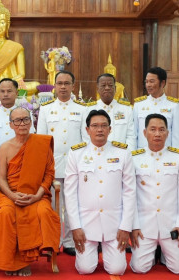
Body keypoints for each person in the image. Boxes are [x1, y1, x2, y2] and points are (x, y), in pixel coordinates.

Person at [0, 107, 60, 276]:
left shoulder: (41, 144)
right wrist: (12, 195)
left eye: (25, 119)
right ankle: (10, 262)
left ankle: (26, 261)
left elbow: (49, 174)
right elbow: (1, 179)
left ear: (31, 122)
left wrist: (37, 195)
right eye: (17, 121)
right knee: (5, 213)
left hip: (35, 193)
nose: (22, 124)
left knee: (43, 211)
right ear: (11, 125)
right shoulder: (5, 148)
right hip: (10, 193)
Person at [64, 109, 136, 275]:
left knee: (117, 269)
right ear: (87, 130)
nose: (100, 129)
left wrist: (125, 227)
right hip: (86, 224)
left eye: (104, 126)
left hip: (114, 224)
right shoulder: (76, 154)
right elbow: (70, 193)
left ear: (110, 129)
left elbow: (130, 192)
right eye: (95, 126)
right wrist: (75, 227)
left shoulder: (123, 153)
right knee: (85, 269)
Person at [130, 113, 179, 274]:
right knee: (138, 268)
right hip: (144, 226)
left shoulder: (178, 158)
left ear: (167, 133)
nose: (157, 134)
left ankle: (163, 252)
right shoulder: (134, 159)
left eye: (162, 130)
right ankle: (156, 251)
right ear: (144, 133)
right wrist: (133, 226)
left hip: (171, 225)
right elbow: (130, 196)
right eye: (153, 129)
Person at [37, 70, 87, 256]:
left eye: (67, 83)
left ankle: (69, 242)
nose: (63, 87)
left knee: (72, 205)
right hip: (53, 166)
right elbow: (41, 141)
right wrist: (44, 167)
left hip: (75, 166)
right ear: (54, 86)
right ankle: (52, 241)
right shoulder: (46, 109)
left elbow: (85, 141)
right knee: (52, 207)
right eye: (60, 83)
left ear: (73, 86)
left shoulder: (82, 109)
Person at [0, 78, 34, 178]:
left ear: (16, 92)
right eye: (2, 91)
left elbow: (30, 141)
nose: (5, 94)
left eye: (9, 91)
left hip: (20, 166)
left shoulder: (26, 114)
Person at [133, 67, 179, 149]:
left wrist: (176, 157)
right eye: (147, 82)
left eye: (152, 81)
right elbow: (134, 134)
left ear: (162, 83)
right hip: (143, 155)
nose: (148, 85)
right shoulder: (139, 105)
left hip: (166, 155)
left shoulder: (173, 105)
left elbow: (176, 135)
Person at [86, 73, 136, 151]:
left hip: (121, 156)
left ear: (115, 89)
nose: (107, 88)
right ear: (97, 89)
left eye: (110, 85)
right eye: (103, 85)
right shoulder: (88, 109)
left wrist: (127, 155)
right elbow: (86, 136)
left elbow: (131, 136)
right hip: (97, 155)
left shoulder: (126, 109)